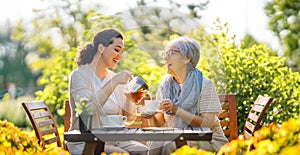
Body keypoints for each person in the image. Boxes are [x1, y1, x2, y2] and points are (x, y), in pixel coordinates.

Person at [67, 28, 148, 155]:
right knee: (121, 154)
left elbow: (129, 119)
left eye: (122, 52)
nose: (120, 56)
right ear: (101, 48)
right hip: (86, 141)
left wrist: (130, 97)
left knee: (143, 150)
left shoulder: (114, 78)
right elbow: (87, 108)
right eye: (116, 50)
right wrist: (114, 82)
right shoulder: (79, 75)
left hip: (113, 140)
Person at [146, 36, 228, 154]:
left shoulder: (204, 84)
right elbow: (158, 125)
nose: (166, 57)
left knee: (172, 145)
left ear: (187, 58)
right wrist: (150, 114)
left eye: (172, 53)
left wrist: (177, 109)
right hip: (177, 137)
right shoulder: (165, 87)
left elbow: (207, 123)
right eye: (165, 53)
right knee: (156, 143)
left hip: (209, 140)